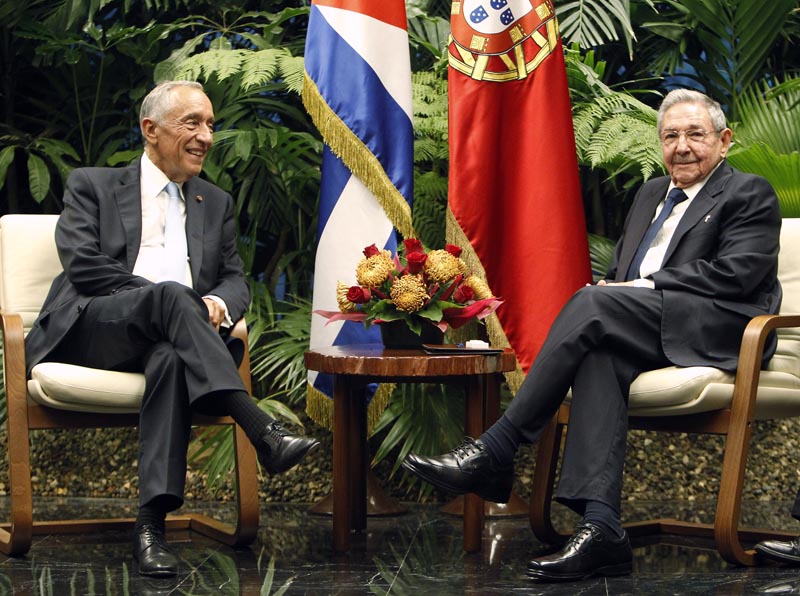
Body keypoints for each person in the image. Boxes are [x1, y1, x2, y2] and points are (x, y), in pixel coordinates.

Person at [403, 88, 782, 582]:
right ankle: (602, 527)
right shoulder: (649, 194)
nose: (682, 146)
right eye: (671, 136)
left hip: (719, 327)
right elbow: (627, 268)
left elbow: (738, 275)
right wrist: (621, 289)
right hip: (648, 322)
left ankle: (498, 448)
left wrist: (634, 288)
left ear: (724, 140)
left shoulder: (748, 192)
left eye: (695, 134)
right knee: (599, 349)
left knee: (592, 302)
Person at [24, 80, 320, 578]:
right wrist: (171, 300)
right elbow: (84, 266)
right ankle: (260, 428)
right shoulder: (92, 185)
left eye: (210, 125)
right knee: (168, 297)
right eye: (192, 123)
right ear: (150, 129)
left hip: (175, 342)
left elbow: (233, 280)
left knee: (167, 357)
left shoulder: (215, 202)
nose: (206, 136)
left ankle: (150, 527)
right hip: (94, 329)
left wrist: (215, 303)